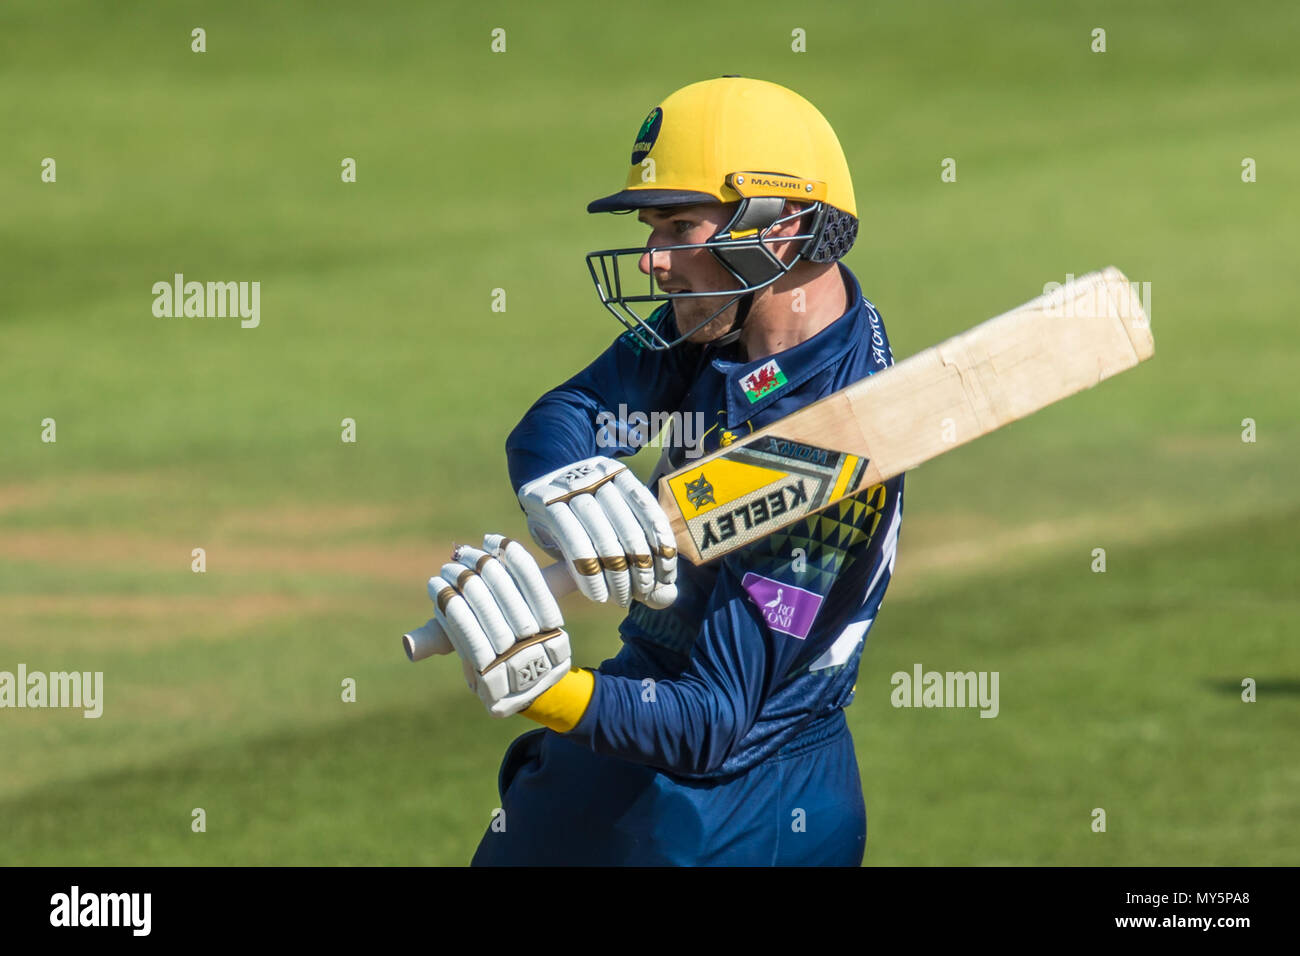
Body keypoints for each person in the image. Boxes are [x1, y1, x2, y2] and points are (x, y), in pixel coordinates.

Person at [427, 76, 904, 865]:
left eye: (679, 227)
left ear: (780, 229)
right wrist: (562, 482)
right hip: (626, 746)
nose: (654, 261)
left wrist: (548, 689)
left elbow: (713, 719)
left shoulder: (838, 457)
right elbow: (567, 414)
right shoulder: (723, 321)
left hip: (741, 809)